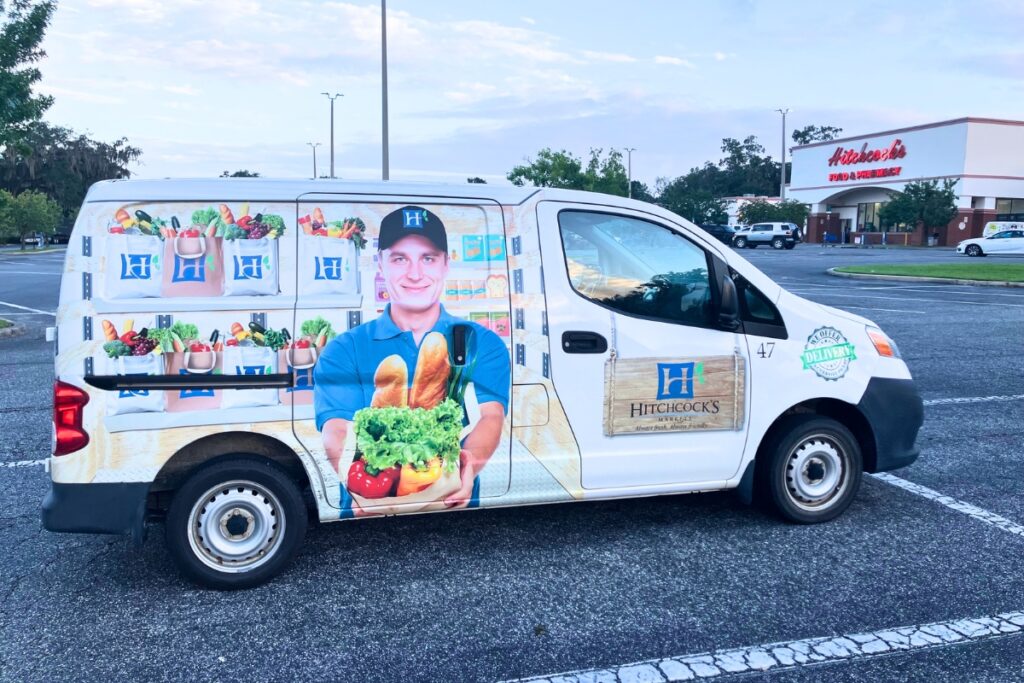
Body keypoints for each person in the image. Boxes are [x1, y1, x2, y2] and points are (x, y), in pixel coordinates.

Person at [313, 206, 511, 516]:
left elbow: (491, 417)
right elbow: (337, 428)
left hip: (453, 511)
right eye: (400, 258)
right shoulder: (343, 349)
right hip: (368, 518)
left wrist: (467, 469)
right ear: (380, 264)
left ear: (446, 264)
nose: (415, 274)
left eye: (428, 258)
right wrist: (357, 485)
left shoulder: (482, 343)